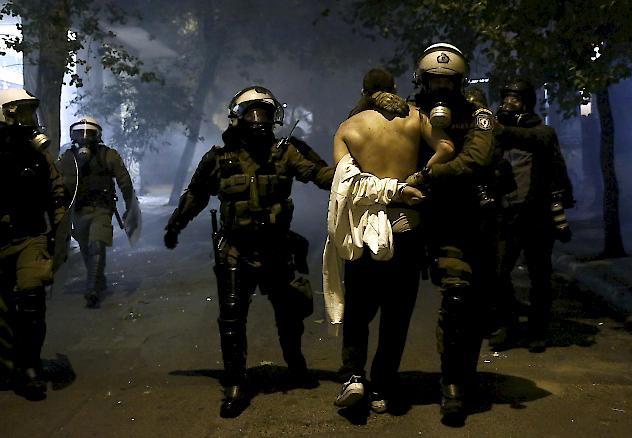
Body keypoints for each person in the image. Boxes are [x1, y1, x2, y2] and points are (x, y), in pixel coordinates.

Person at [164, 86, 334, 418]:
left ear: (275, 117)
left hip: (277, 247)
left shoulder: (287, 153)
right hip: (236, 249)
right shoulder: (219, 159)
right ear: (237, 118)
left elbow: (321, 174)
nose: (258, 121)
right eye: (251, 114)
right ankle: (235, 382)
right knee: (231, 316)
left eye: (265, 114)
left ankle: (296, 365)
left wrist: (359, 180)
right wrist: (175, 226)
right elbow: (195, 195)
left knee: (289, 313)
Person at [324, 68, 454, 414]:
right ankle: (381, 386)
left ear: (364, 92)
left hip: (366, 230)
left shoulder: (348, 128)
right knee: (397, 315)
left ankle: (353, 376)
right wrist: (420, 175)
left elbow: (347, 184)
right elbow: (447, 146)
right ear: (394, 89)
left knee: (357, 311)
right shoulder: (415, 118)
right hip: (406, 226)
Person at [406, 42, 496, 425]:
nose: (441, 90)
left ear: (461, 83)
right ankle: (371, 379)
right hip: (414, 216)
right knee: (382, 295)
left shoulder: (479, 117)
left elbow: (476, 160)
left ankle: (456, 382)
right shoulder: (407, 114)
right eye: (434, 82)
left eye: (449, 82)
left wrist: (429, 173)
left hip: (462, 220)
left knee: (464, 302)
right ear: (421, 81)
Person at [489, 78, 574, 353]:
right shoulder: (497, 135)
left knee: (540, 275)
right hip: (506, 214)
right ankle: (509, 324)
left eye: (515, 98)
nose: (508, 103)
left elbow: (532, 141)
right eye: (506, 97)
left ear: (527, 103)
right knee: (497, 272)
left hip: (536, 215)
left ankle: (538, 330)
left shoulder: (541, 133)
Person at [0, 88, 67, 400]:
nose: (30, 119)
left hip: (30, 236)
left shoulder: (37, 154)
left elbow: (56, 191)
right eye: (24, 111)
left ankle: (29, 368)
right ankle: (8, 366)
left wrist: (58, 232)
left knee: (31, 299)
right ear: (8, 112)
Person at [57, 116, 139, 308]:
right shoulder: (67, 158)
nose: (85, 138)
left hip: (101, 208)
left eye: (89, 133)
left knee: (96, 244)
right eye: (80, 133)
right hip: (78, 210)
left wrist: (130, 206)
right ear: (73, 136)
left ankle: (91, 287)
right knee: (86, 247)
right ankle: (98, 278)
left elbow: (124, 181)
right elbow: (57, 184)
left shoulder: (108, 155)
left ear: (98, 136)